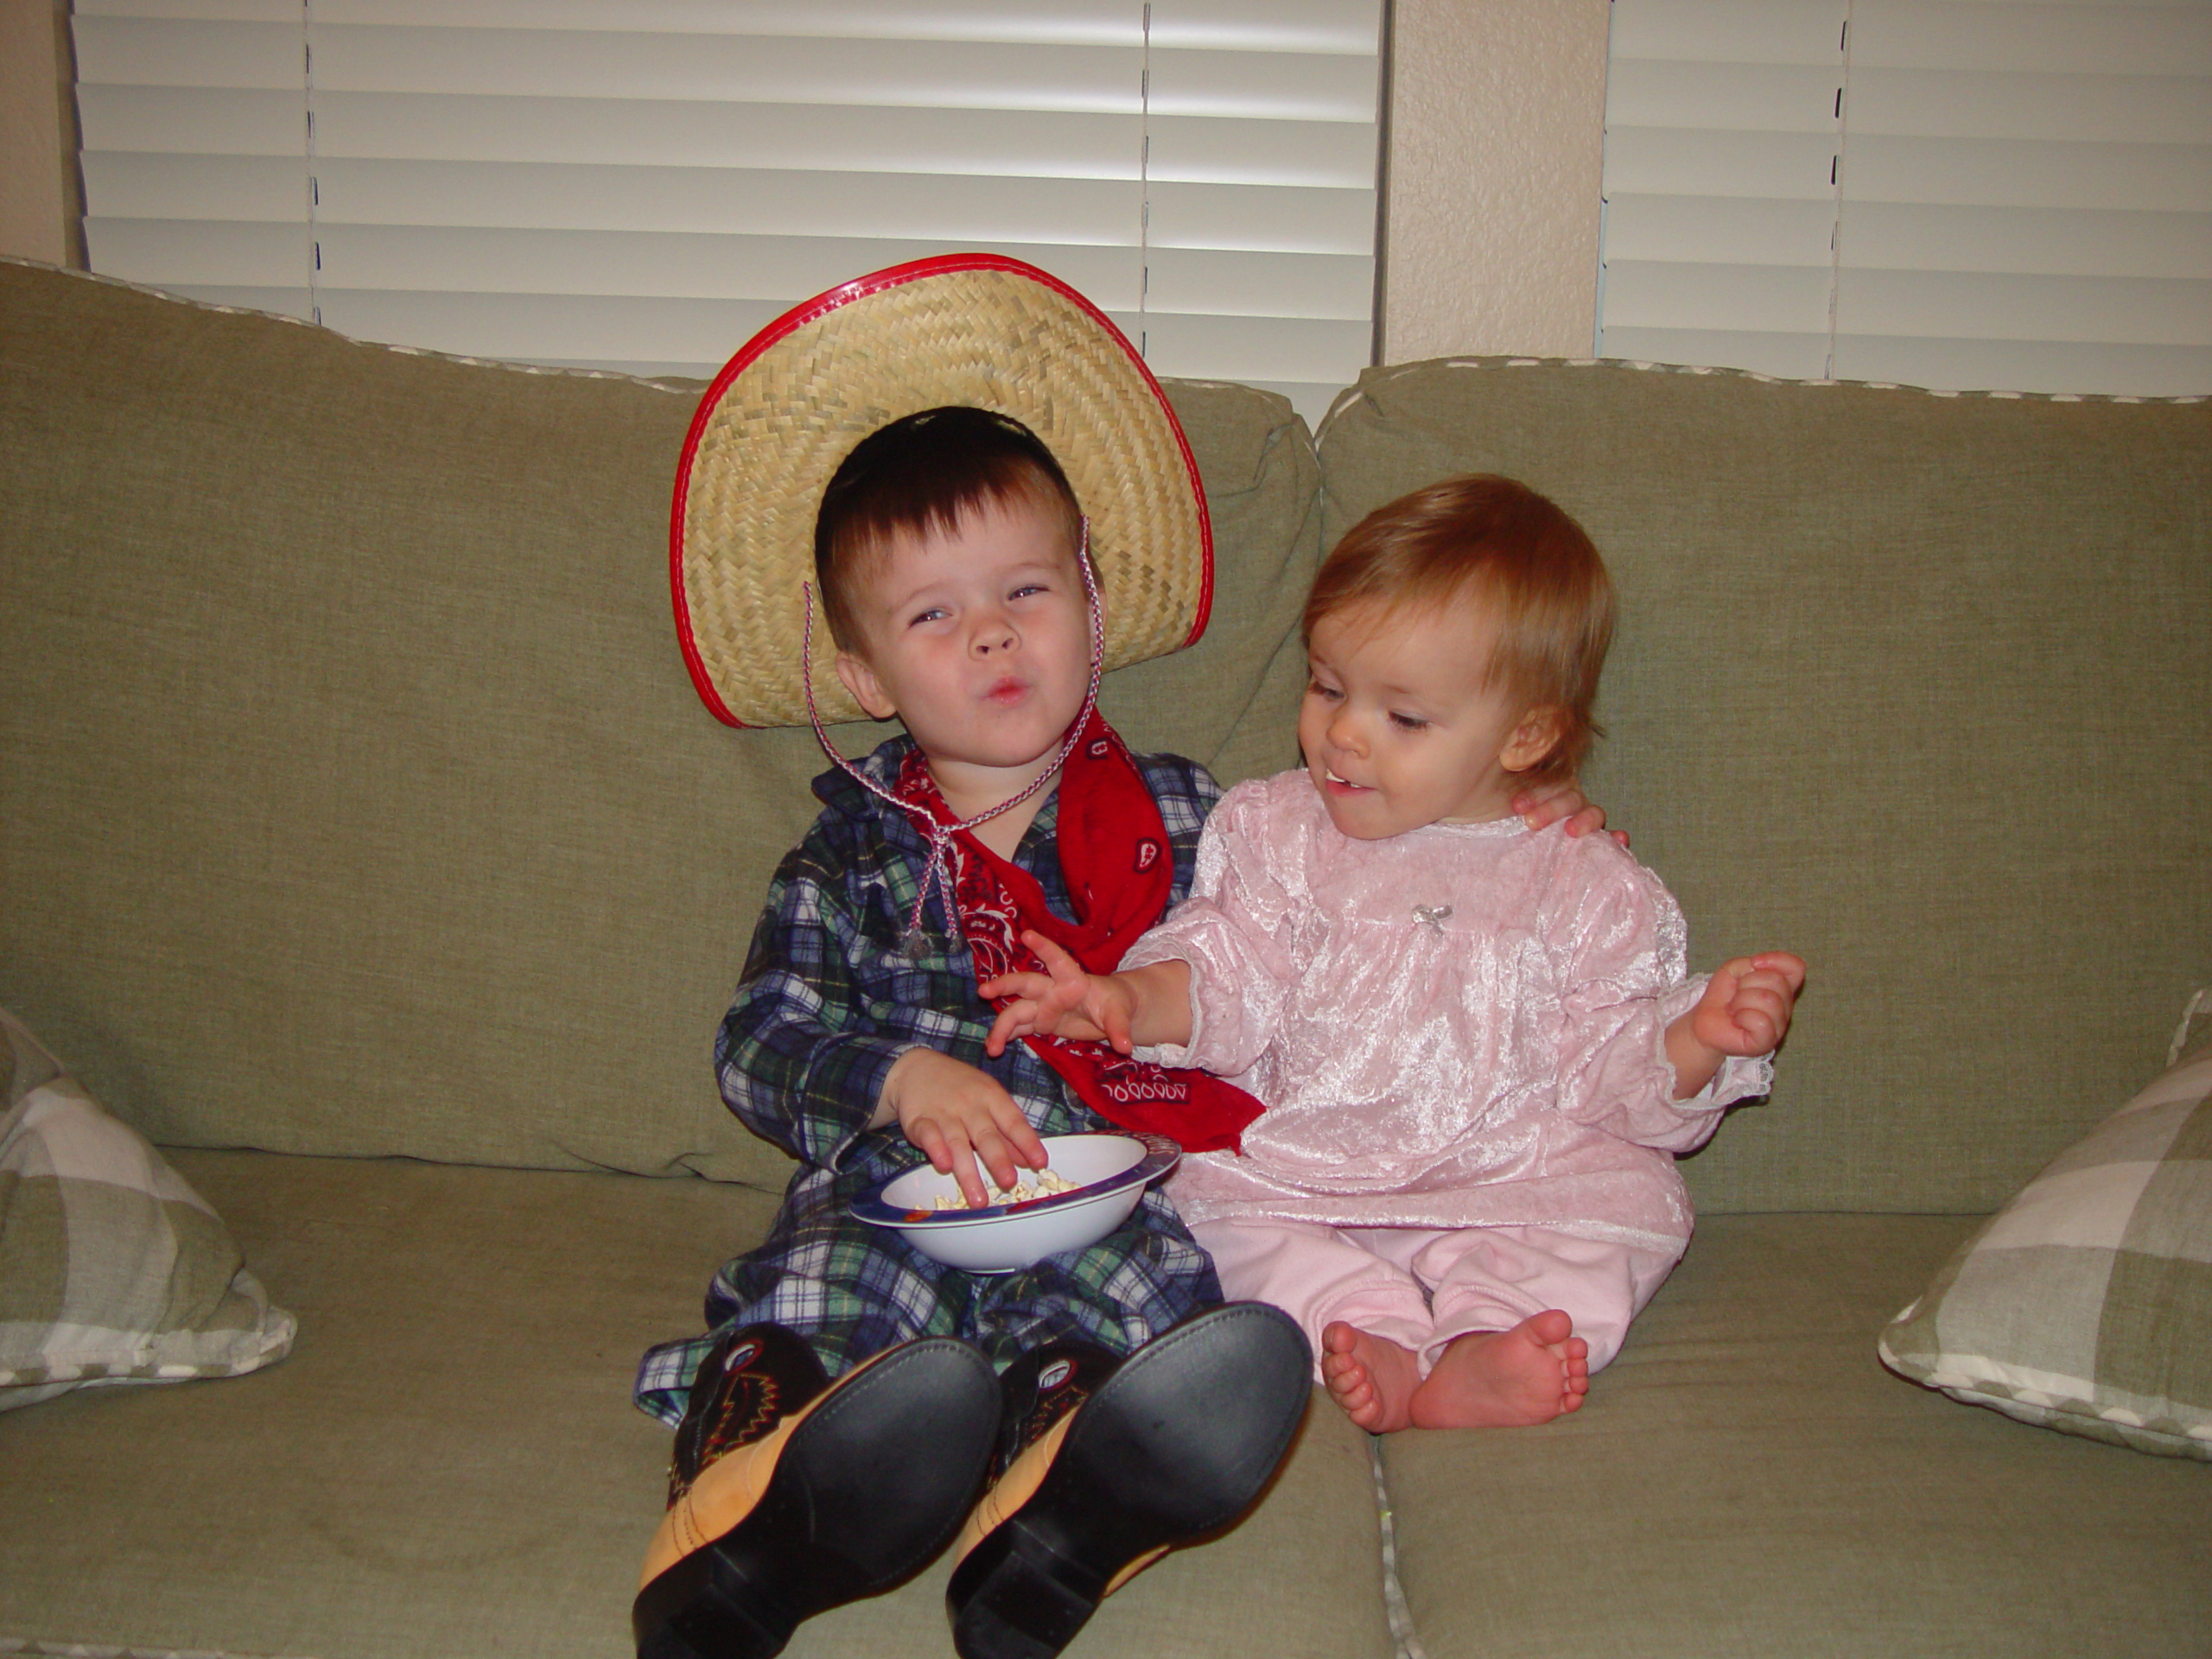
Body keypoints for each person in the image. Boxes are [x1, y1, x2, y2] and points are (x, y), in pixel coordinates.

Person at [632, 259, 1604, 1659]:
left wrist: (1527, 833)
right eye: (933, 616)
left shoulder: (1211, 819)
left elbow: (1363, 894)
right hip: (901, 1199)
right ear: (862, 676)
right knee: (828, 1304)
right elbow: (760, 1044)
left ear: (1089, 599)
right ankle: (746, 1529)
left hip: (1117, 1187)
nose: (991, 632)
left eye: (1025, 588)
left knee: (1146, 1317)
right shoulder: (846, 858)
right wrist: (901, 1077)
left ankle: (1049, 1524)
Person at [982, 474, 1806, 1436]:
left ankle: (1482, 1345)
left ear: (1526, 734)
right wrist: (1130, 998)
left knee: (1634, 1212)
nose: (1342, 734)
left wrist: (1697, 1038)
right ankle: (1361, 1327)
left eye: (1402, 718)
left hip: (1513, 1177)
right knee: (1202, 1210)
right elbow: (1229, 963)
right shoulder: (1278, 831)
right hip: (1308, 1164)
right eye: (1328, 686)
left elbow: (1605, 1072)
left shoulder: (1584, 883)